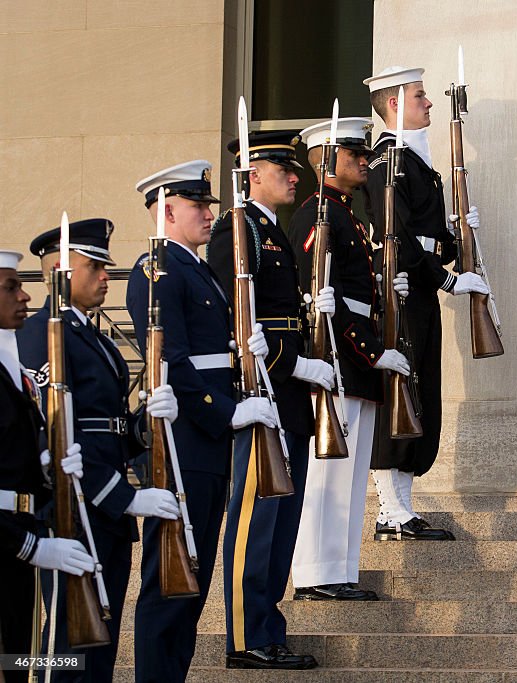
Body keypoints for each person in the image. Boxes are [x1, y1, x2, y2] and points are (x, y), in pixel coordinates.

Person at [126, 160, 278, 682]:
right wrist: (229, 411)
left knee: (194, 580)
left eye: (210, 205)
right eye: (199, 206)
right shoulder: (160, 271)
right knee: (169, 583)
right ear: (168, 210)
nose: (209, 215)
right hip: (184, 443)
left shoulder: (197, 268)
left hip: (206, 447)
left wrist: (245, 354)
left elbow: (210, 354)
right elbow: (176, 363)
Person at [17, 219, 180, 683]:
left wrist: (146, 422)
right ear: (64, 271)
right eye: (97, 267)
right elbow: (57, 432)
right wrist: (123, 497)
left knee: (99, 644)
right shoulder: (41, 333)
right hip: (72, 511)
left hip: (105, 515)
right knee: (67, 647)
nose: (107, 276)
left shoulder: (98, 339)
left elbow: (108, 428)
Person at [207, 131, 334, 670]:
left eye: (292, 166)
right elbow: (238, 322)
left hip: (288, 390)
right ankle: (243, 635)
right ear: (252, 172)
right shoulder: (237, 230)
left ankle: (267, 625)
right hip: (263, 385)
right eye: (282, 166)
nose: (294, 174)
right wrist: (292, 360)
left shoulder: (272, 232)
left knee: (282, 515)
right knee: (255, 516)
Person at [363, 65, 489, 540]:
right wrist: (446, 279)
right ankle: (390, 511)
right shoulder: (389, 160)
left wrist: (456, 239)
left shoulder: (415, 161)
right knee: (403, 389)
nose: (430, 102)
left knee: (420, 392)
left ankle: (402, 508)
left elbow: (423, 233)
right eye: (420, 96)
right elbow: (396, 235)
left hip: (418, 285)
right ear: (394, 104)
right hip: (403, 287)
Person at [289, 118, 413, 600]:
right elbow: (324, 297)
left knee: (350, 474)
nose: (364, 159)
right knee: (328, 473)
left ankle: (337, 570)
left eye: (363, 152)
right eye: (352, 153)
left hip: (356, 358)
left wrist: (387, 292)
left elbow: (355, 292)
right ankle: (314, 573)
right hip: (338, 355)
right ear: (326, 161)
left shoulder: (346, 215)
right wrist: (371, 349)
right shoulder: (316, 215)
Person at [0, 249, 93, 683]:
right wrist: (30, 547)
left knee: (20, 660)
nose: (24, 295)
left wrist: (49, 468)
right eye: (10, 286)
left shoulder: (11, 369)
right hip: (10, 538)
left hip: (21, 530)